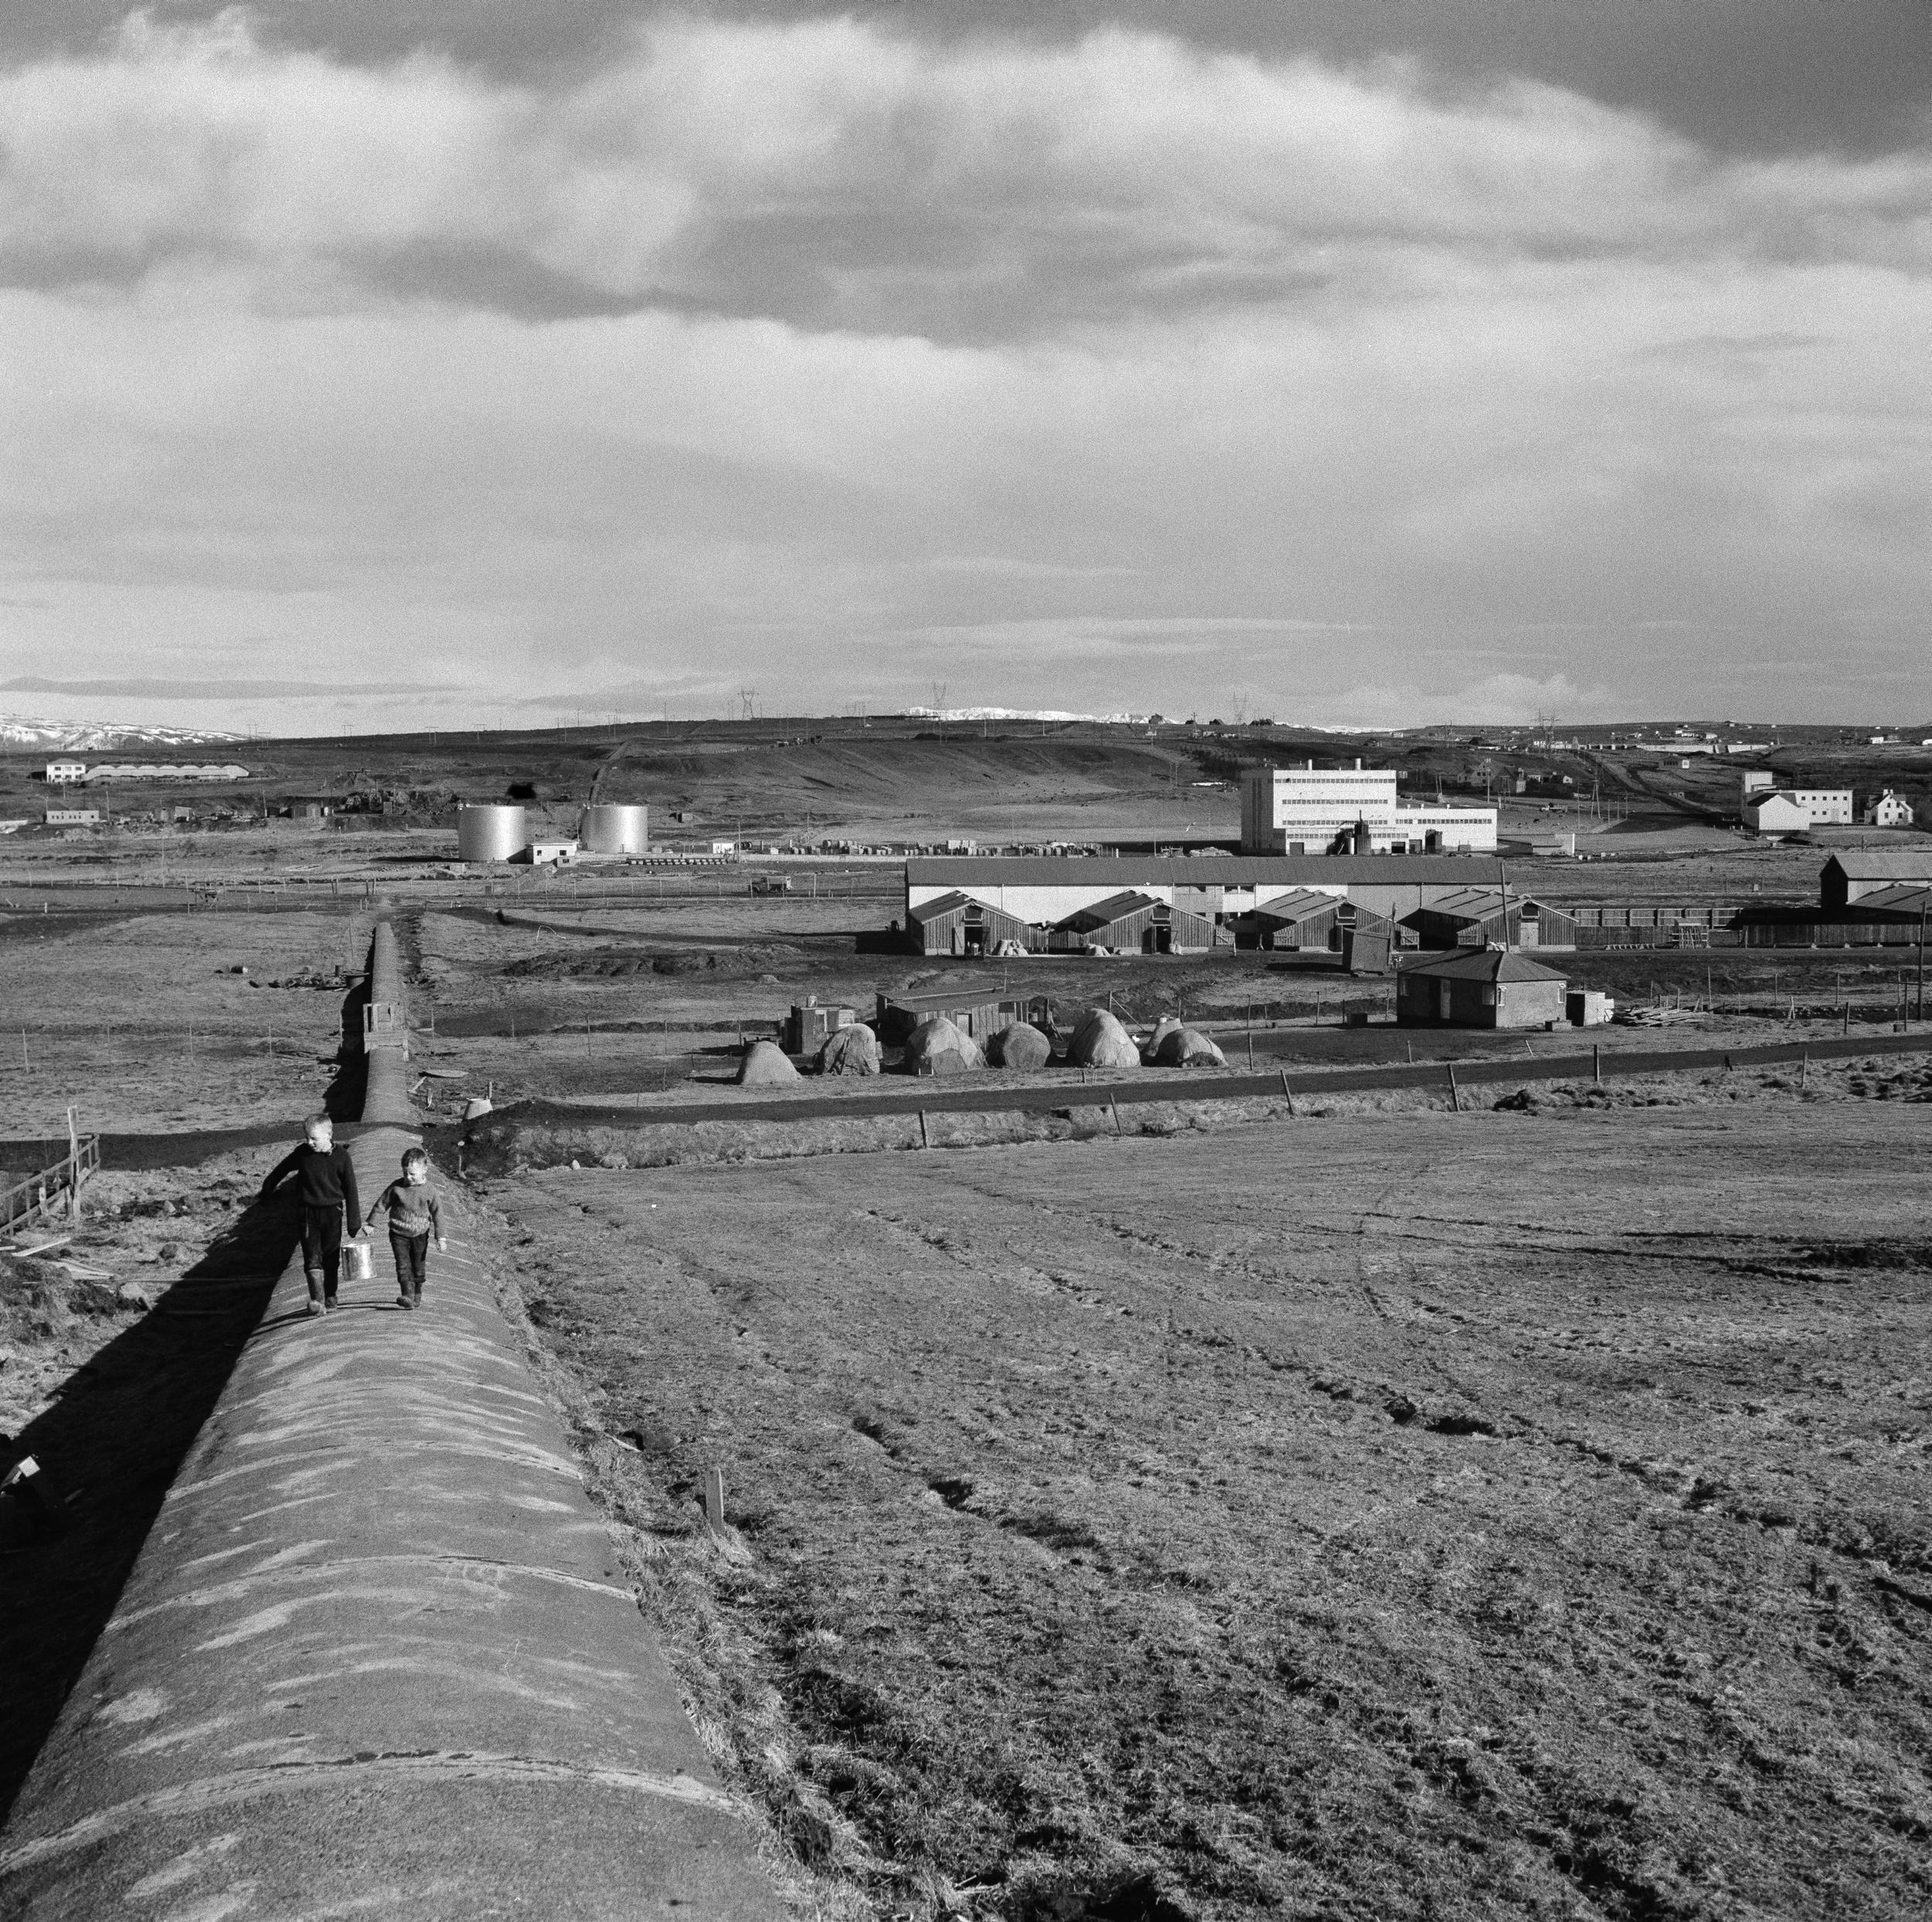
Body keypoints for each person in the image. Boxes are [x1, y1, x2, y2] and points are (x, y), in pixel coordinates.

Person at [260, 1114, 362, 1316]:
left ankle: (331, 1296)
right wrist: (268, 1187)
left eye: (314, 1139)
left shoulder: (342, 1157)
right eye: (307, 1138)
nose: (309, 1142)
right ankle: (317, 1301)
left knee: (331, 1257)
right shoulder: (303, 1153)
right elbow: (282, 1169)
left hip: (333, 1213)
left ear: (329, 1134)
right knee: (312, 1258)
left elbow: (351, 1189)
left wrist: (354, 1222)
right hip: (307, 1213)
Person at [364, 1146, 446, 1310]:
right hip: (398, 1233)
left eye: (412, 1174)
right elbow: (382, 1204)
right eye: (405, 1173)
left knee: (417, 1265)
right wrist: (371, 1223)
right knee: (402, 1264)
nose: (408, 1177)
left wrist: (441, 1238)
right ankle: (406, 1295)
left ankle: (417, 1292)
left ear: (424, 1170)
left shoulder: (430, 1191)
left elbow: (438, 1215)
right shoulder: (397, 1188)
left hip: (419, 1234)